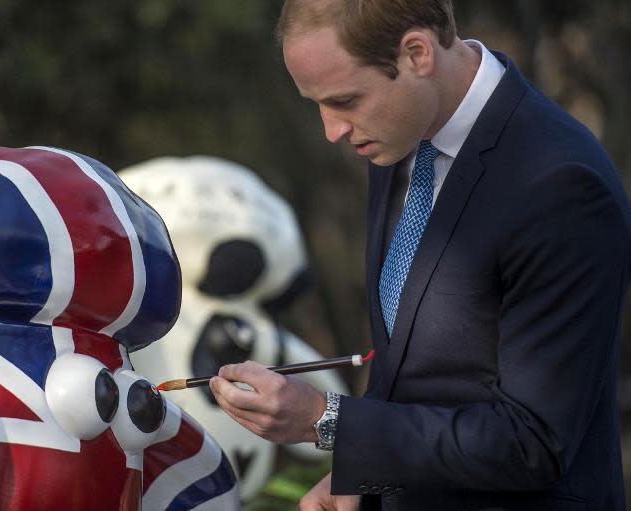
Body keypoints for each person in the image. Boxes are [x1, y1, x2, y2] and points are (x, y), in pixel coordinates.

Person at [209, 0, 631, 510]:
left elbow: (532, 442)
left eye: (345, 99)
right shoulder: (399, 137)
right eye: (317, 103)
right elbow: (414, 368)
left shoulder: (560, 185)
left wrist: (328, 421)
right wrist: (364, 479)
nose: (332, 129)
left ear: (416, 54)